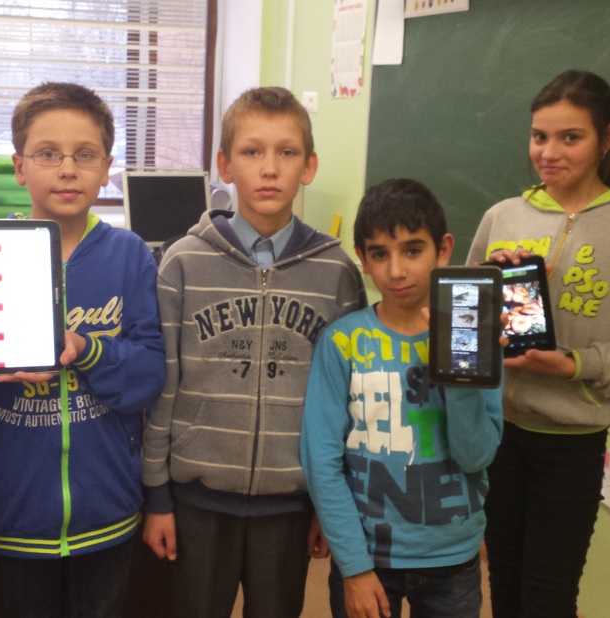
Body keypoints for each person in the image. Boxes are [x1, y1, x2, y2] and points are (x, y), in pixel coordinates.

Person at [0, 82, 165, 617]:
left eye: (85, 155)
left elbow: (148, 377)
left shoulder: (129, 255)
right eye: (48, 154)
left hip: (106, 507)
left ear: (106, 168)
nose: (68, 169)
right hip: (16, 510)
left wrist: (85, 348)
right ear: (19, 167)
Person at [468, 70, 610, 617]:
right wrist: (488, 288)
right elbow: (464, 327)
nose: (549, 153)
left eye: (571, 137)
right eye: (539, 136)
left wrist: (574, 364)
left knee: (547, 598)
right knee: (504, 585)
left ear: (606, 138)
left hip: (571, 444)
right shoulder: (503, 216)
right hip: (496, 434)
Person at [141, 86, 366, 618]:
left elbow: (349, 400)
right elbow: (163, 384)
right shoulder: (183, 263)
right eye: (251, 151)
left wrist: (332, 504)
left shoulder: (336, 272)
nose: (269, 168)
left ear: (308, 166)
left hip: (290, 500)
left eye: (286, 152)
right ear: (225, 165)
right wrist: (156, 495)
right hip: (197, 497)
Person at [301, 179, 504, 618]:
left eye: (413, 250)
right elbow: (321, 460)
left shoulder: (472, 336)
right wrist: (353, 566)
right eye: (379, 254)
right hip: (369, 556)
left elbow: (476, 455)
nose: (396, 271)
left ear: (443, 249)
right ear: (363, 259)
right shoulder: (343, 342)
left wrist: (456, 368)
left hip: (453, 559)